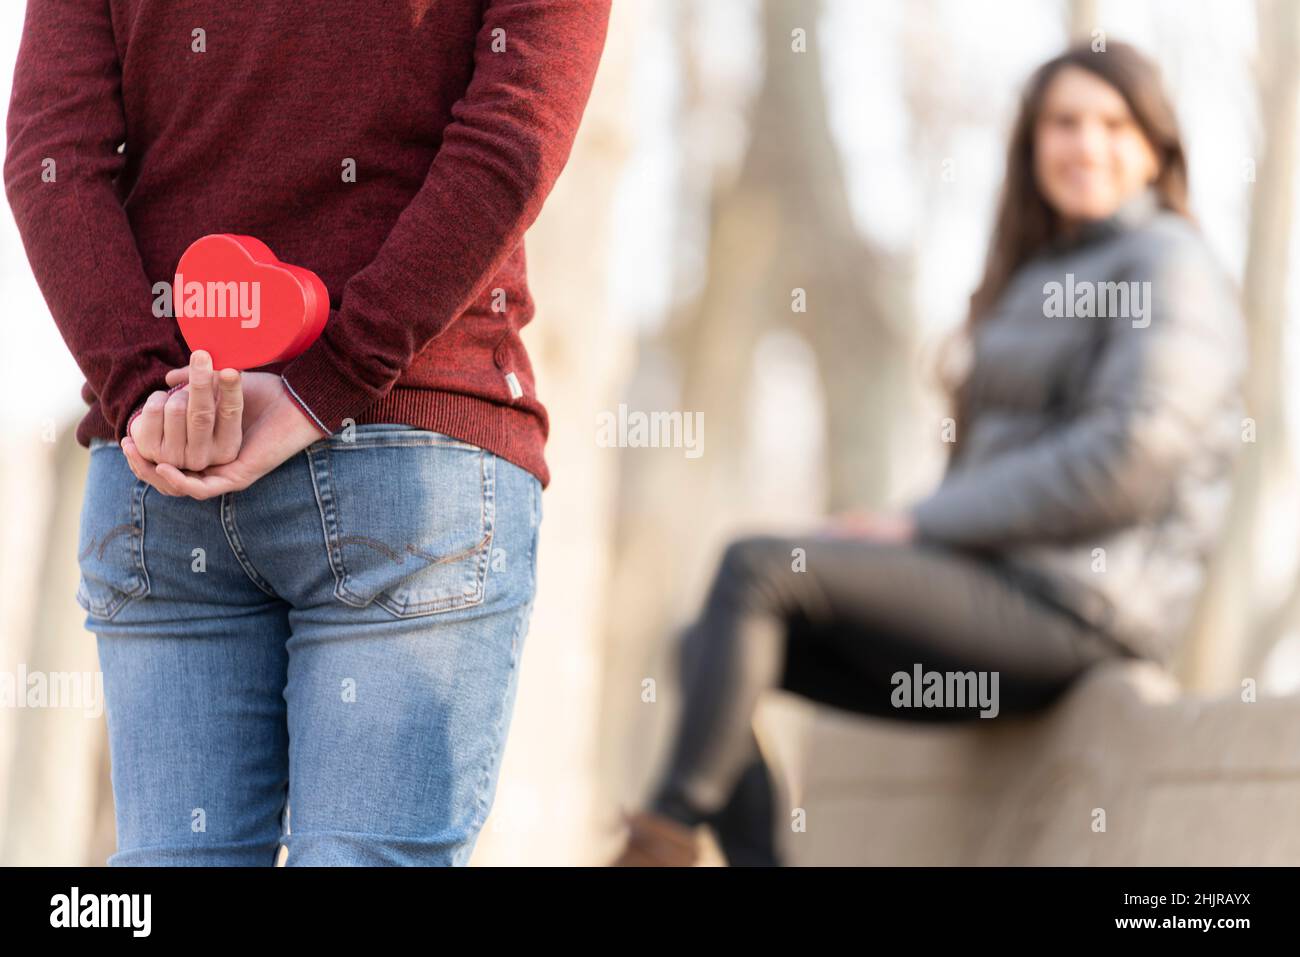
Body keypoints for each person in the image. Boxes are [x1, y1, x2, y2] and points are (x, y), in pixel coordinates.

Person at [610, 40, 1247, 867]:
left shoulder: (1170, 260)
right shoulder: (1032, 275)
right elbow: (993, 469)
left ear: (1156, 148)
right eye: (1062, 123)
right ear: (1032, 146)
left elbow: (1128, 458)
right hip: (997, 591)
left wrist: (919, 523)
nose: (1085, 144)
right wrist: (901, 525)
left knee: (760, 565)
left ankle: (661, 840)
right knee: (704, 639)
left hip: (1085, 609)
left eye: (1112, 124)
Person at [5, 0, 610, 866]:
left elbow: (49, 154)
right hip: (407, 461)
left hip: (170, 476)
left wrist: (148, 392)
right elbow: (512, 136)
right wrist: (327, 383)